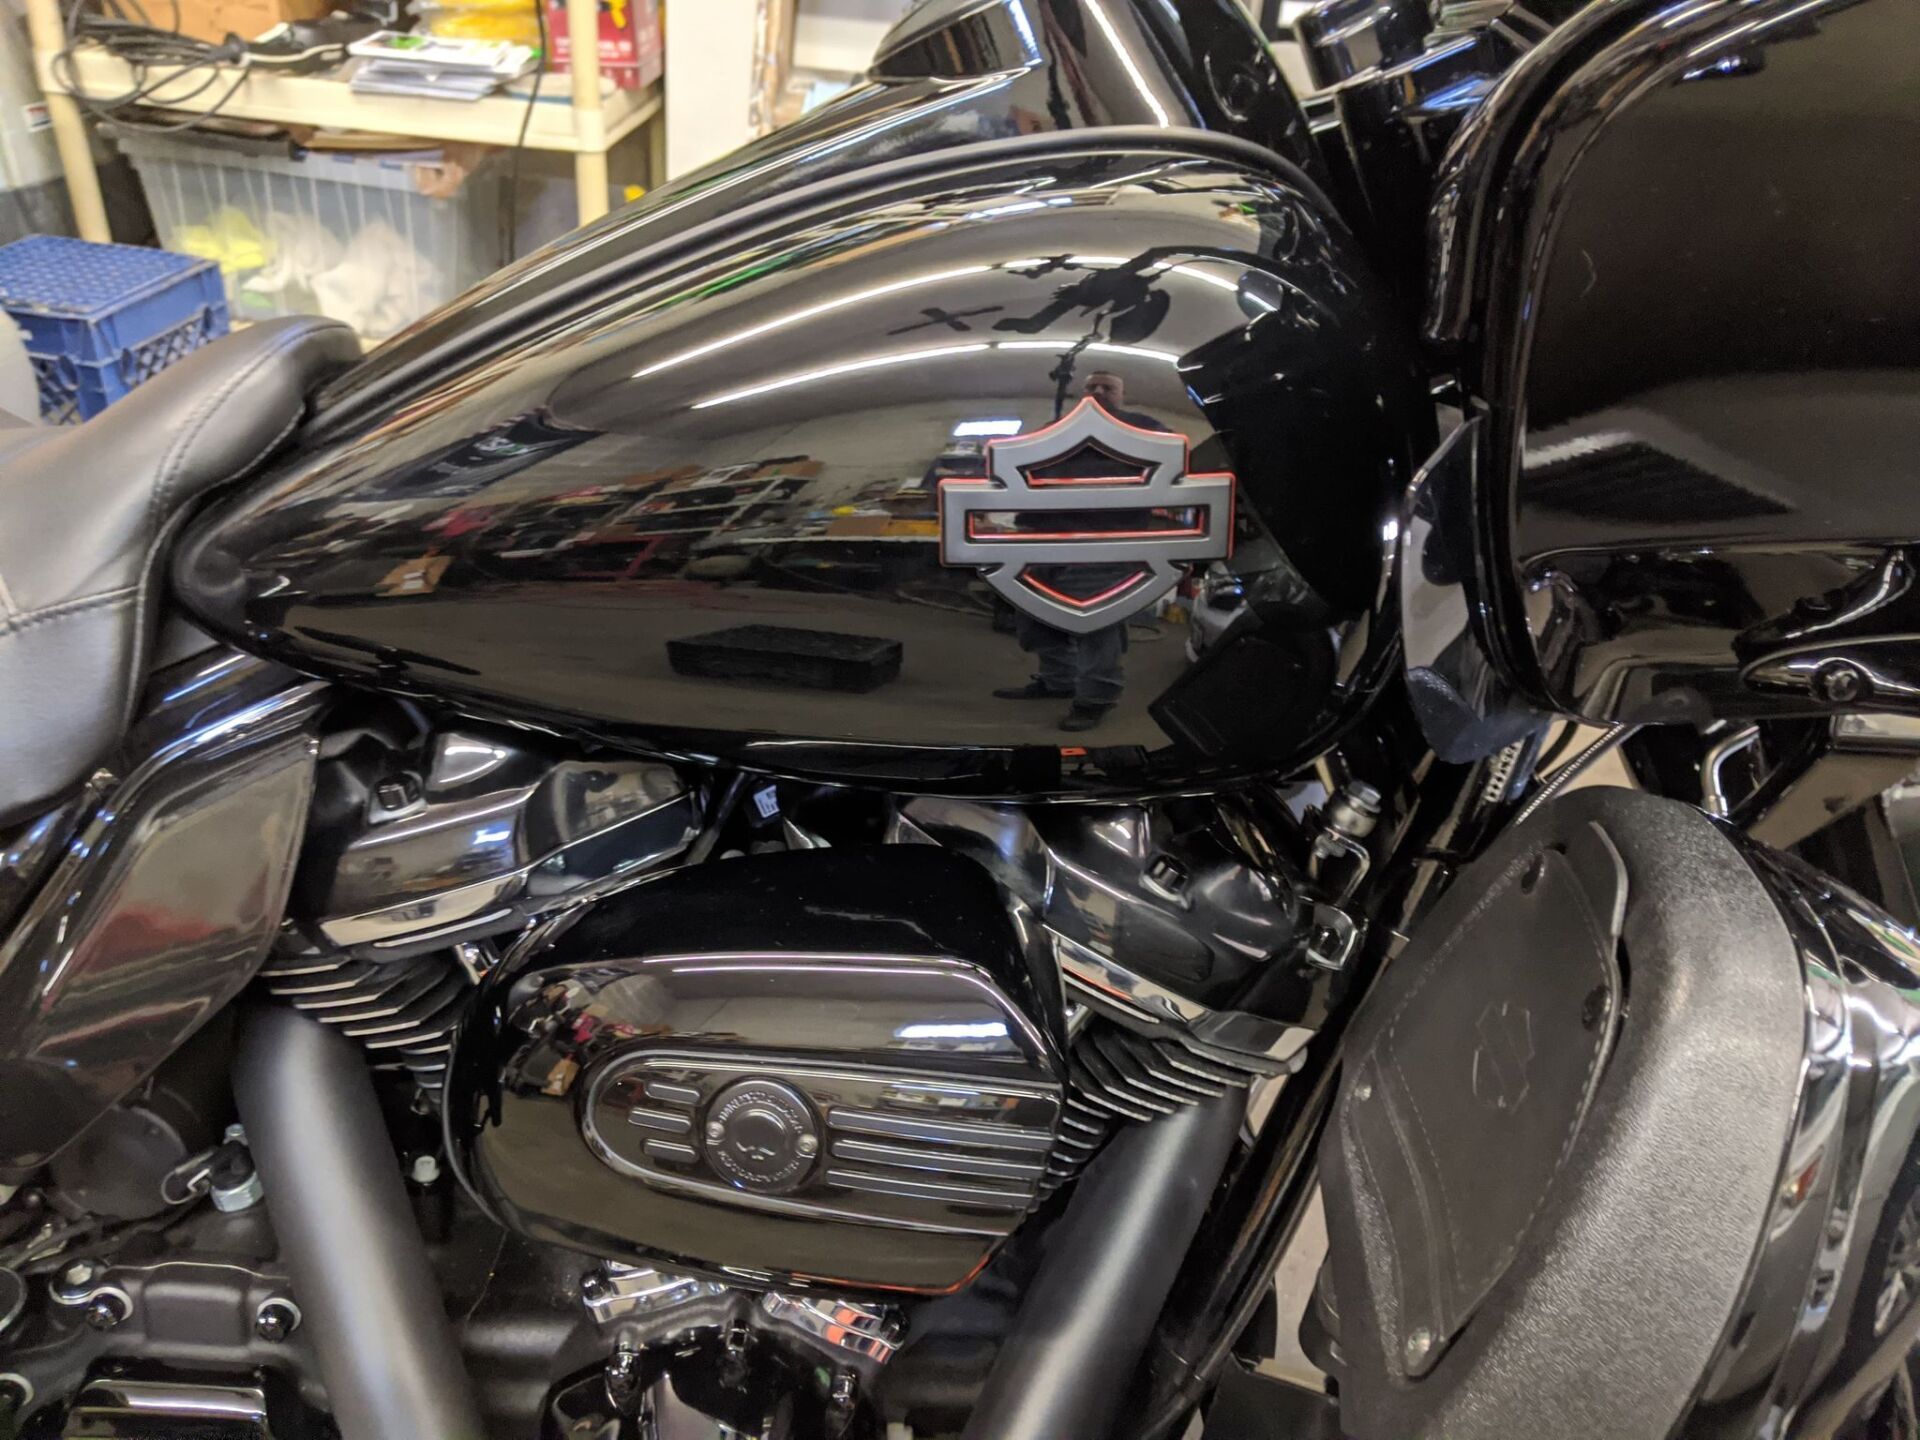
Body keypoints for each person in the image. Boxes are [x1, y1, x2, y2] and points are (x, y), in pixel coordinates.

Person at [992, 372, 1165, 732]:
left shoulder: (1143, 426)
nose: (1099, 391)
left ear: (1123, 394)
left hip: (1104, 541)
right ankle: (1058, 681)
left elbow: (1169, 467)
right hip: (1041, 539)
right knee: (1033, 618)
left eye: (1108, 387)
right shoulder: (1056, 427)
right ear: (1080, 391)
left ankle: (1095, 698)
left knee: (1095, 622)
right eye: (1092, 386)